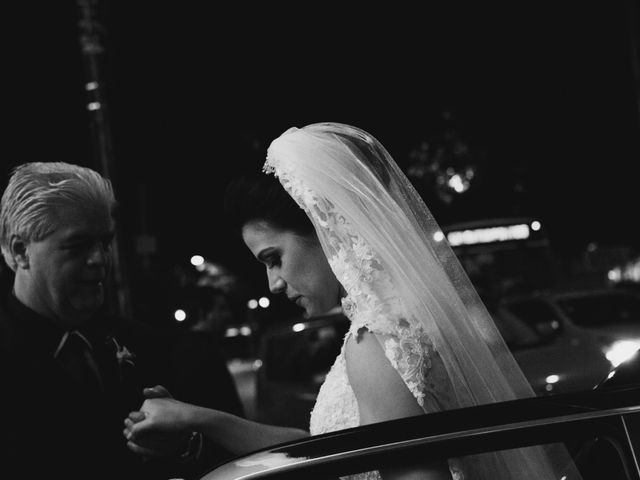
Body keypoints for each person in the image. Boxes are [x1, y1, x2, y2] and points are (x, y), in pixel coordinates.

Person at [124, 123, 582, 479]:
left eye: (274, 258)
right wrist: (200, 419)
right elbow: (330, 446)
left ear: (322, 229)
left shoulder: (378, 341)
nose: (273, 284)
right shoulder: (392, 321)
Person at [0, 162, 199, 480]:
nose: (101, 259)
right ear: (21, 250)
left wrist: (183, 445)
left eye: (105, 243)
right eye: (78, 246)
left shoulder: (144, 342)